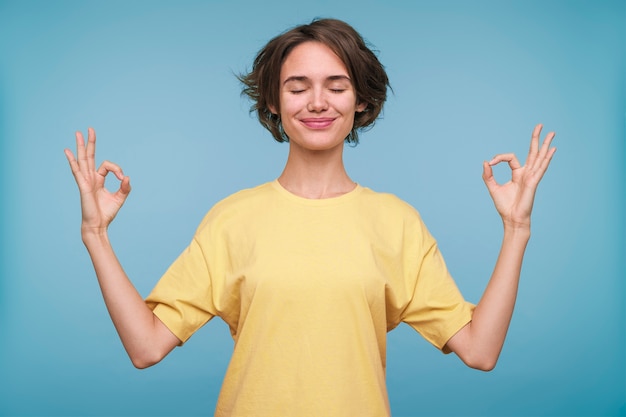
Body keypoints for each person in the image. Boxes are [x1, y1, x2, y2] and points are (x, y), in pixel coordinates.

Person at [64, 18, 556, 417]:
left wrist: (516, 230)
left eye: (336, 86)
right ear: (274, 104)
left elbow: (480, 351)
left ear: (360, 100)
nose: (317, 102)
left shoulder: (396, 222)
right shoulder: (232, 219)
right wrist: (95, 235)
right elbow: (145, 347)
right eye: (297, 88)